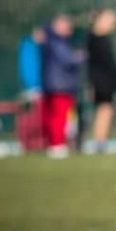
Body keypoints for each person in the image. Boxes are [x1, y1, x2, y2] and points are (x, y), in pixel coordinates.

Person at [41, 14, 83, 158]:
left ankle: (55, 144)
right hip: (60, 85)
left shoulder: (50, 40)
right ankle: (57, 145)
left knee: (55, 117)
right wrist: (80, 56)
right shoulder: (56, 42)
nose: (69, 28)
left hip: (53, 84)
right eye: (65, 25)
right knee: (59, 117)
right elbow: (68, 60)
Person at [87, 9, 116, 154]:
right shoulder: (95, 40)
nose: (112, 22)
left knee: (106, 111)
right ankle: (99, 142)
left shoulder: (103, 39)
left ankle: (101, 141)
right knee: (104, 111)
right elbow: (96, 65)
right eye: (109, 19)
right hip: (101, 83)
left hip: (107, 82)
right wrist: (93, 84)